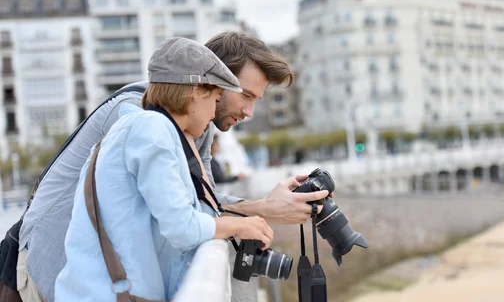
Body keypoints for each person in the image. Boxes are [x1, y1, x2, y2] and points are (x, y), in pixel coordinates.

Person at [18, 32, 328, 302]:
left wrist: (265, 206)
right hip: (48, 273)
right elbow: (182, 218)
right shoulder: (140, 116)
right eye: (244, 95)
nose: (249, 111)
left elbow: (200, 204)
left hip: (102, 282)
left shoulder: (193, 128)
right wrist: (259, 212)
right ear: (208, 79)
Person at [54, 38, 273, 301]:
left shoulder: (140, 127)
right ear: (196, 91)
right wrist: (238, 226)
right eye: (215, 98)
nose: (214, 111)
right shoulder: (152, 130)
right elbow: (182, 227)